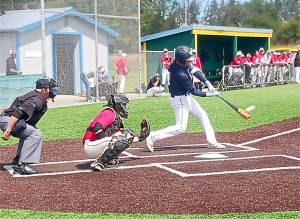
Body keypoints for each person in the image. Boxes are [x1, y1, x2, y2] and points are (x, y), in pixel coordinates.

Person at [145, 45, 225, 152]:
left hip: (185, 97)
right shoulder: (179, 73)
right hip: (180, 100)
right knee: (180, 128)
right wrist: (211, 94)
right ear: (181, 61)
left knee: (202, 115)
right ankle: (152, 137)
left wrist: (207, 82)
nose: (190, 62)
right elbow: (194, 91)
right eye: (188, 60)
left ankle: (211, 141)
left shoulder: (180, 63)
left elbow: (195, 70)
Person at [0, 77, 58, 175]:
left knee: (31, 131)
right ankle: (22, 165)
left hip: (10, 120)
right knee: (35, 134)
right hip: (9, 120)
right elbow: (17, 113)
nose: (53, 90)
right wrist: (8, 131)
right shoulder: (37, 99)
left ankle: (18, 159)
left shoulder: (38, 97)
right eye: (51, 88)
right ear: (44, 90)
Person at [82, 94, 150, 171]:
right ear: (118, 104)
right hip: (91, 145)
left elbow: (124, 137)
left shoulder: (114, 114)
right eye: (123, 105)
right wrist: (110, 142)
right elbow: (97, 128)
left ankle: (108, 159)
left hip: (95, 144)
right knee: (120, 139)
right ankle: (99, 162)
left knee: (127, 134)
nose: (125, 108)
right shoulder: (110, 113)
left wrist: (139, 137)